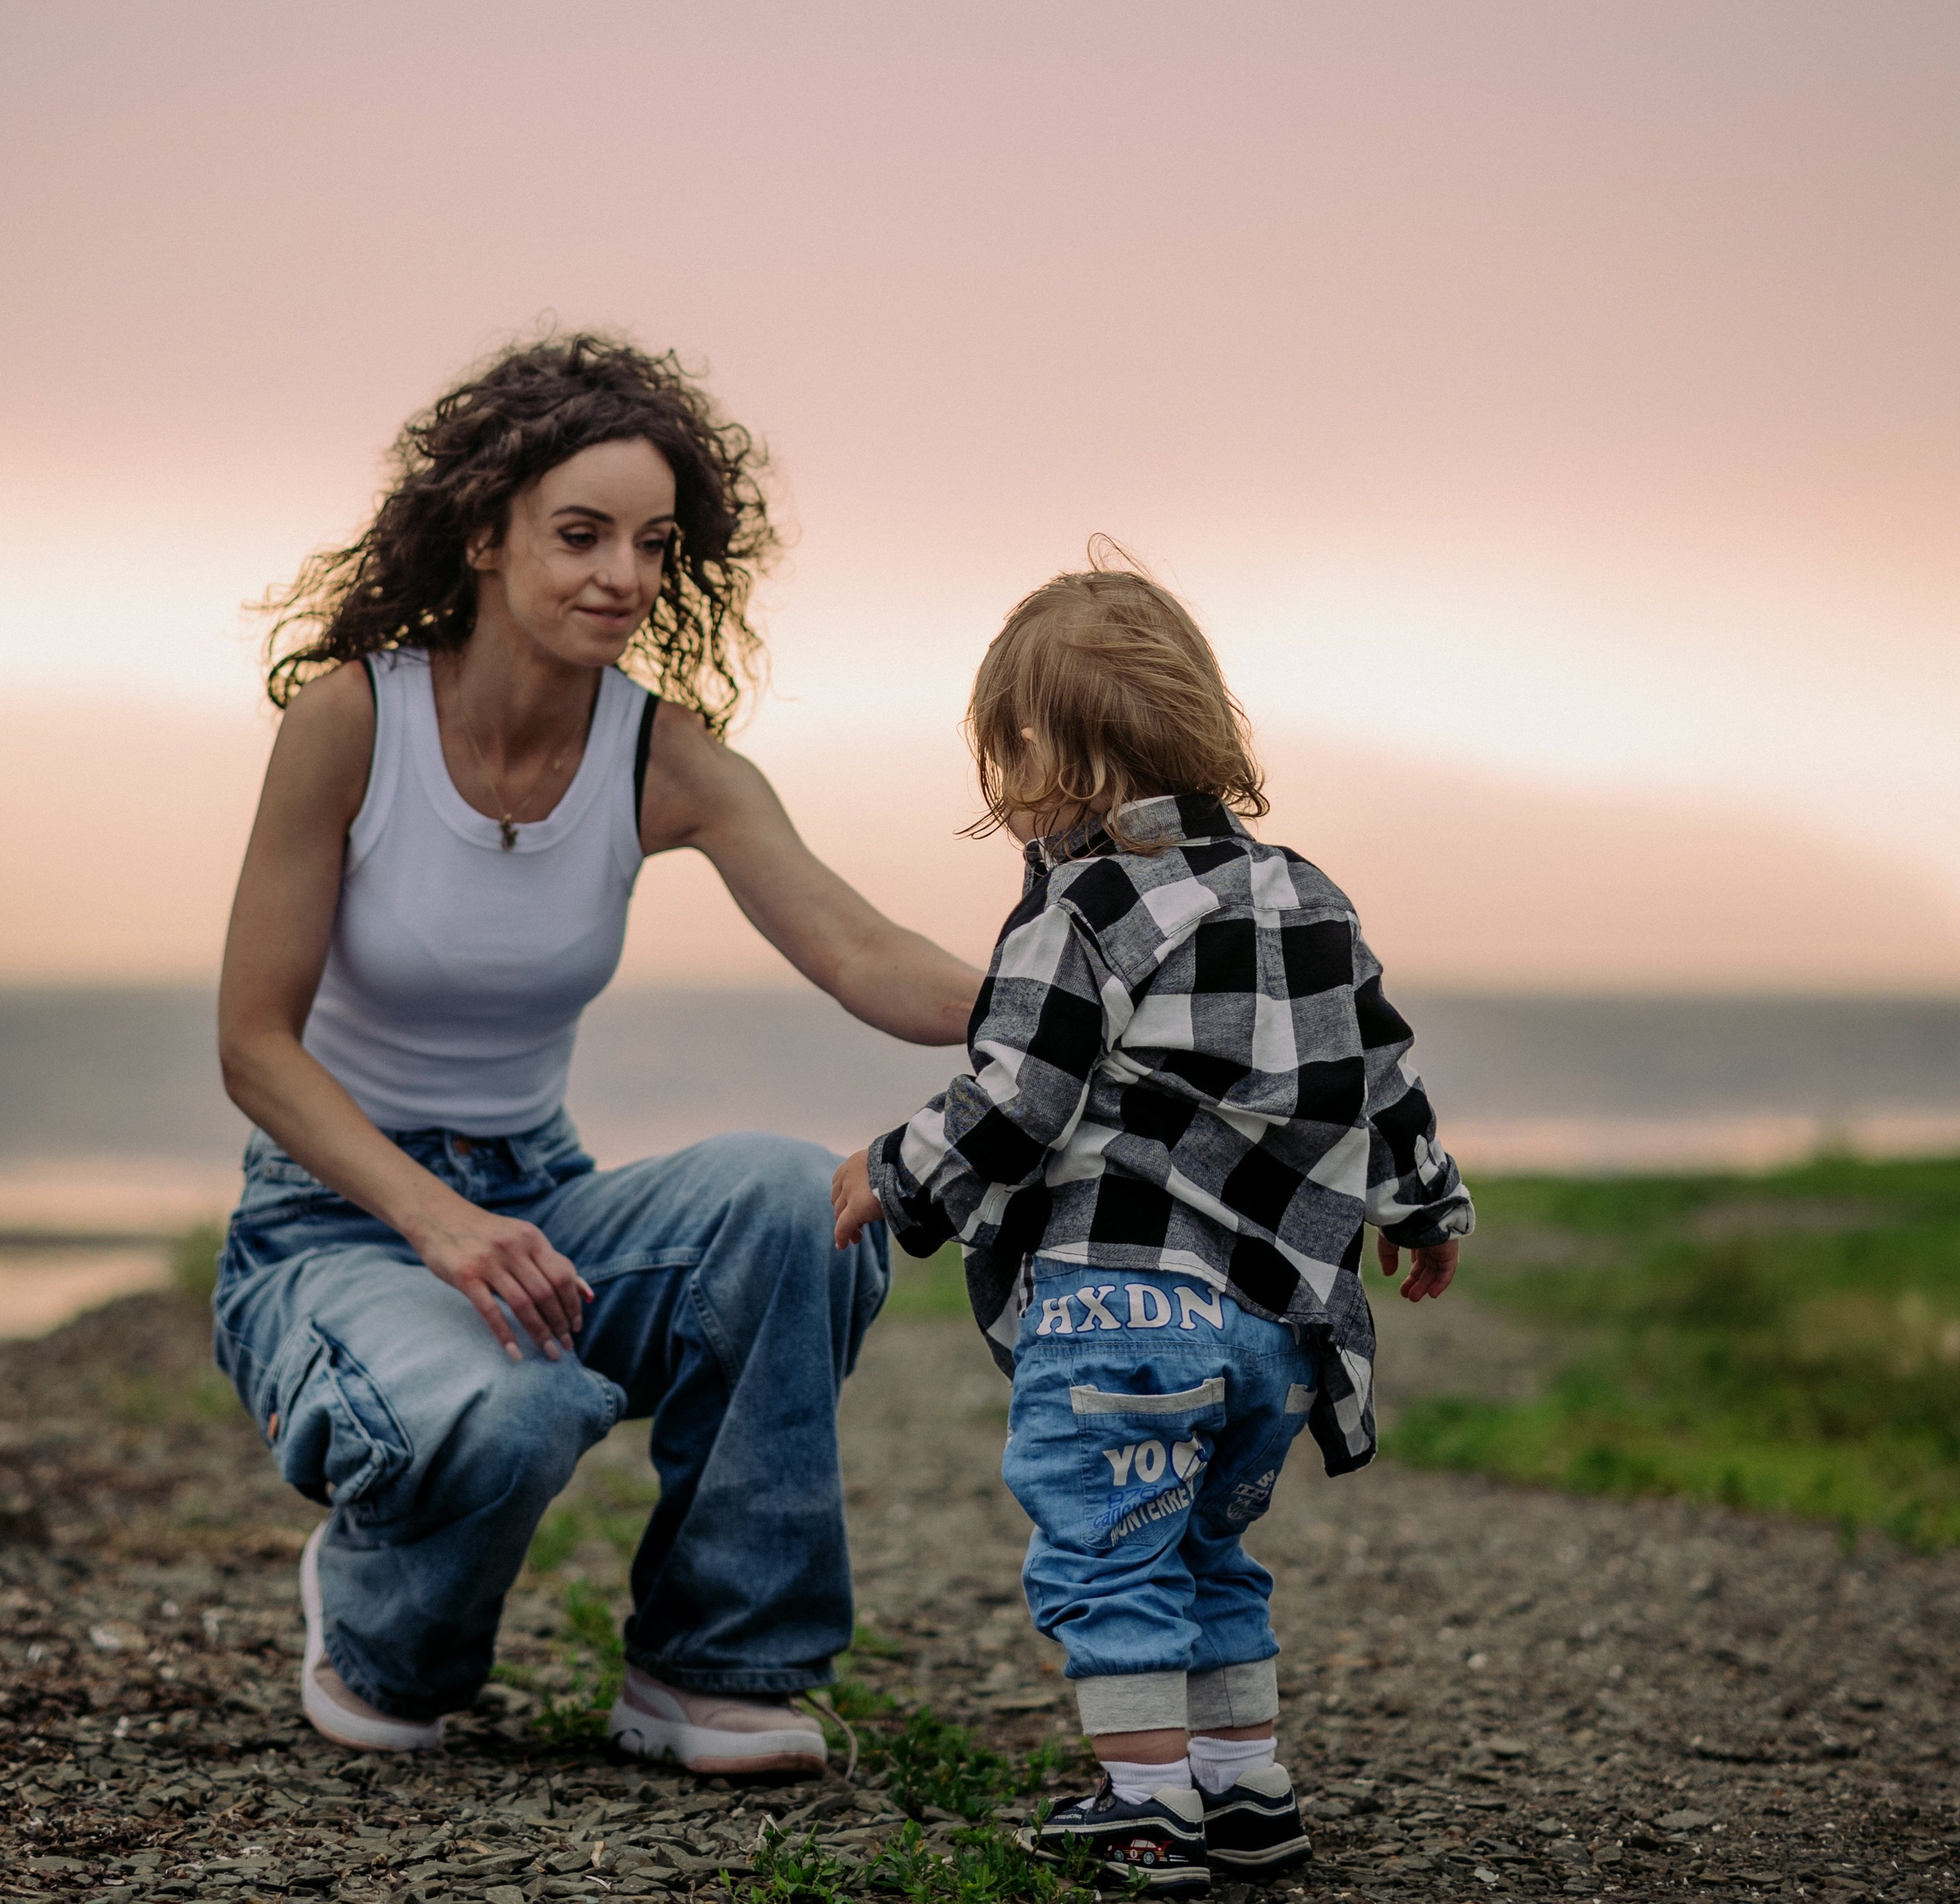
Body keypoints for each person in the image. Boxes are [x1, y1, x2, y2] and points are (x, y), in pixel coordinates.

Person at [213, 333, 977, 1774]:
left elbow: (866, 957)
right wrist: (435, 1220)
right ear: (486, 536)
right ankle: (377, 1621)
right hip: (333, 1230)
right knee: (516, 1420)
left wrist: (1077, 1002)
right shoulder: (352, 725)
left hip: (540, 1202)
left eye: (651, 544)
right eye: (580, 535)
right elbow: (253, 1045)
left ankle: (713, 1664)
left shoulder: (660, 758)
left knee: (789, 1205)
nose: (621, 576)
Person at [832, 561, 1473, 1892]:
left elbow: (1021, 1096)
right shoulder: (1309, 894)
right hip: (1274, 1323)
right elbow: (1382, 1073)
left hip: (1118, 1304)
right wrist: (1424, 1205)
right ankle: (1246, 1791)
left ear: (1035, 754)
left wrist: (897, 1172)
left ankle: (1145, 1805)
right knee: (1204, 1546)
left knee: (1106, 1549)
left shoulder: (1082, 910)